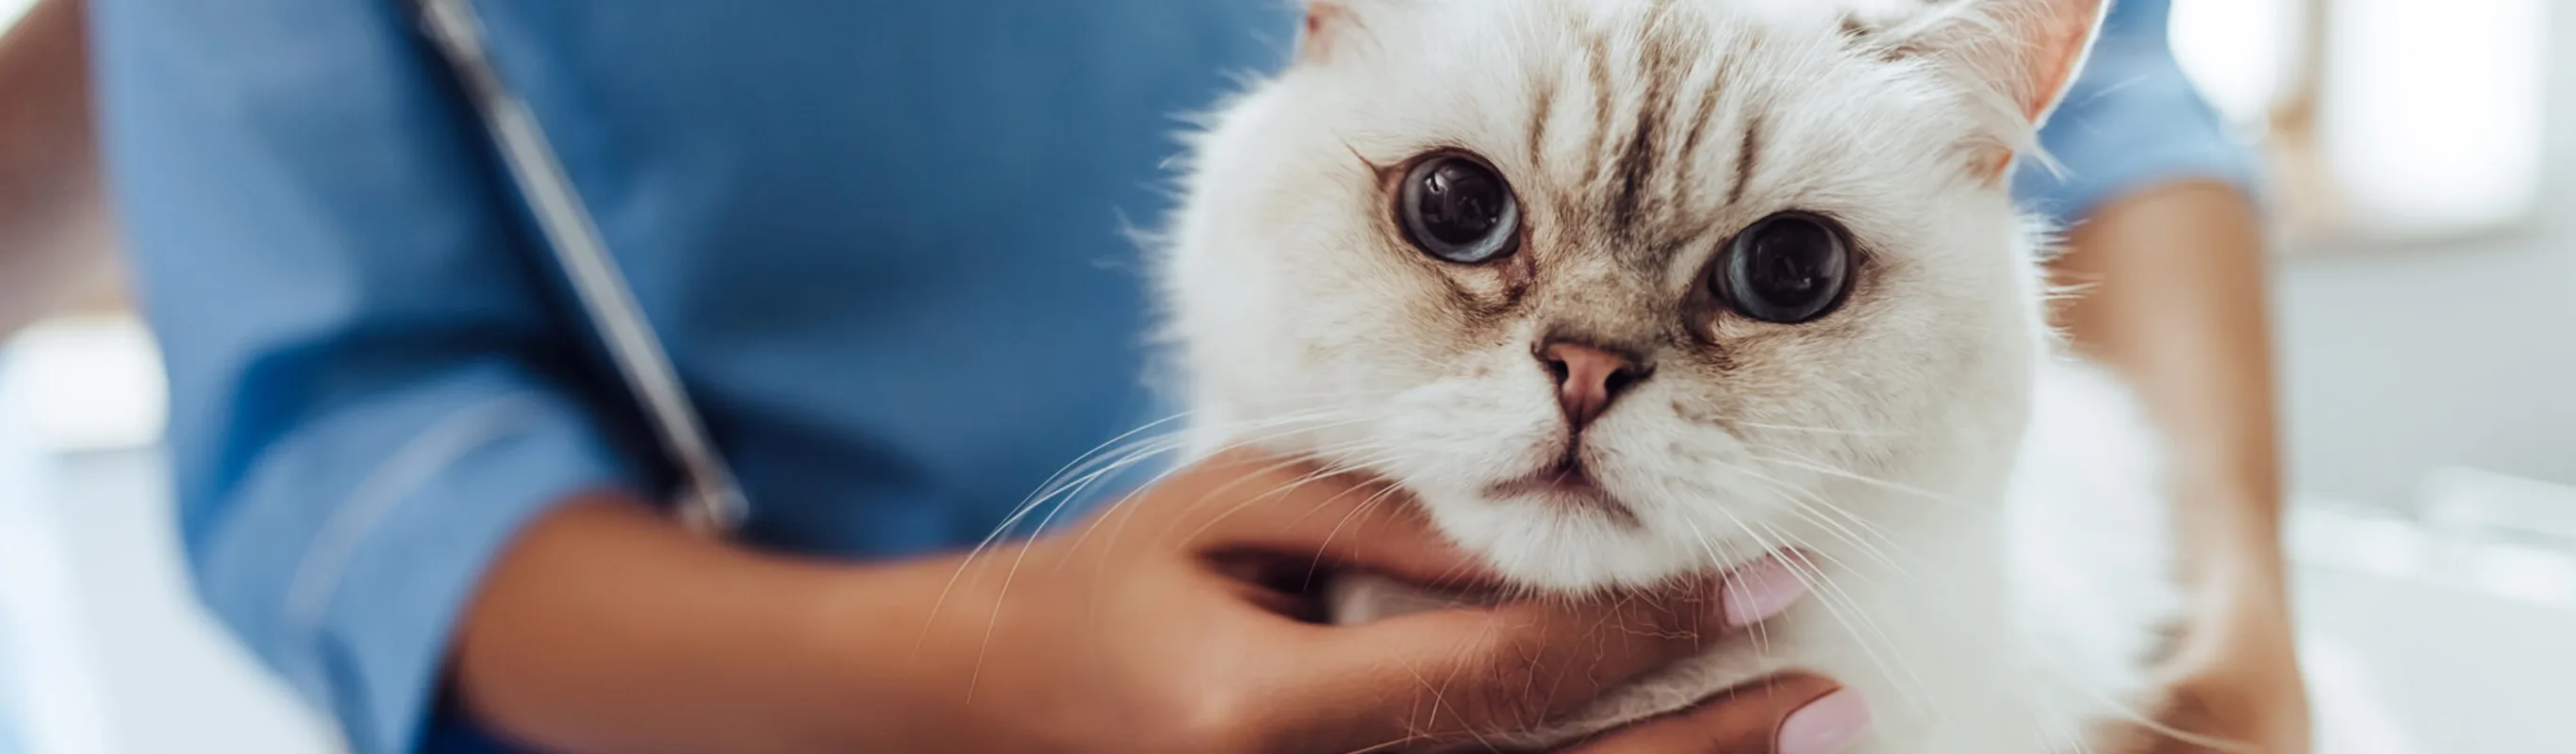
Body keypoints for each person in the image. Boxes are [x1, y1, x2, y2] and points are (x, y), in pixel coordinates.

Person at [35, 0, 2302, 751]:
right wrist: (1003, 655)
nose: (1590, 366)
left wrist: (2226, 631)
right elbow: (361, 440)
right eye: (1458, 221)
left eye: (1767, 272)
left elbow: (2070, 108)